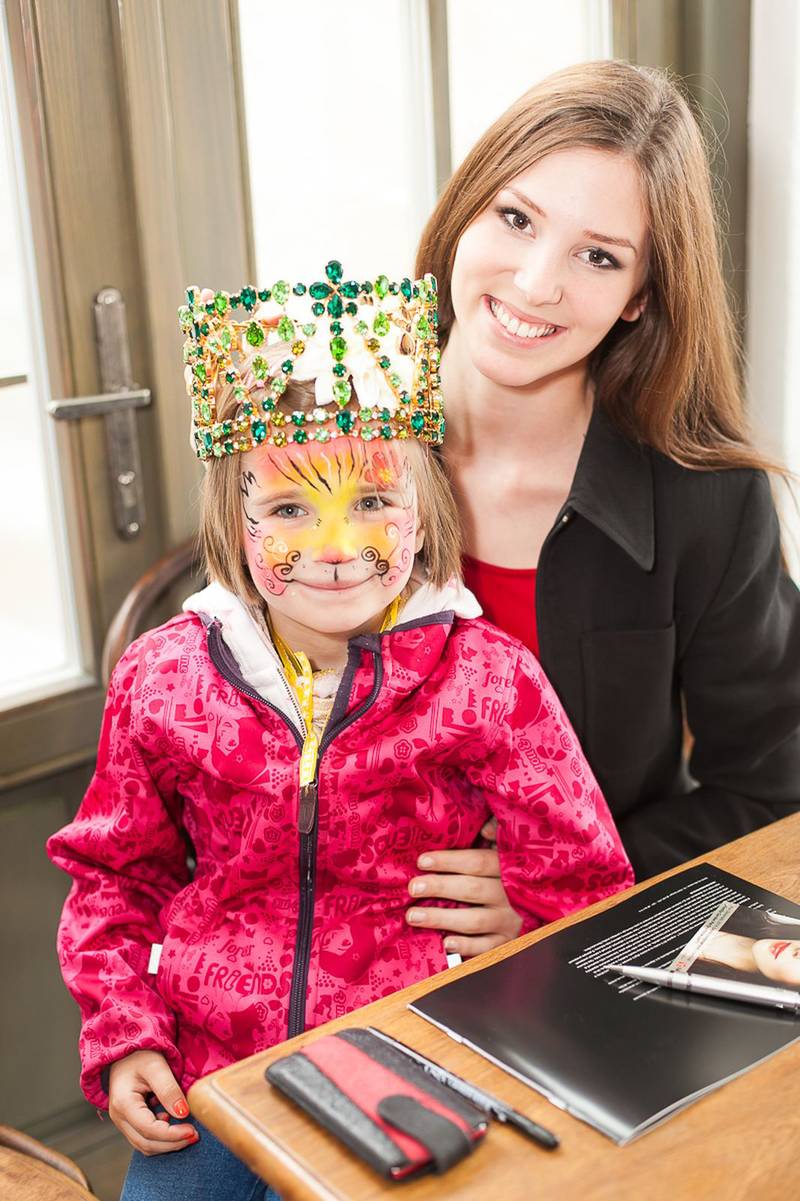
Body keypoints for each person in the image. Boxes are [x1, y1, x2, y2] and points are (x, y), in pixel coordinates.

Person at [47, 265, 632, 1200]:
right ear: (234, 525)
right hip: (209, 1085)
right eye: (287, 509)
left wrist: (526, 924)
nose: (331, 546)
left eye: (370, 501)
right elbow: (114, 878)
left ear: (422, 505)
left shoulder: (489, 681)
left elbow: (590, 889)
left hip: (412, 1076)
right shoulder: (162, 679)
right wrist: (123, 1036)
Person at [402, 59, 800, 960]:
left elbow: (773, 792)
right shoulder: (323, 447)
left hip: (584, 964)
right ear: (464, 208)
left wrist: (564, 880)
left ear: (641, 299)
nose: (538, 283)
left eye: (598, 255)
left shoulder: (711, 504)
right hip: (315, 979)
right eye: (515, 217)